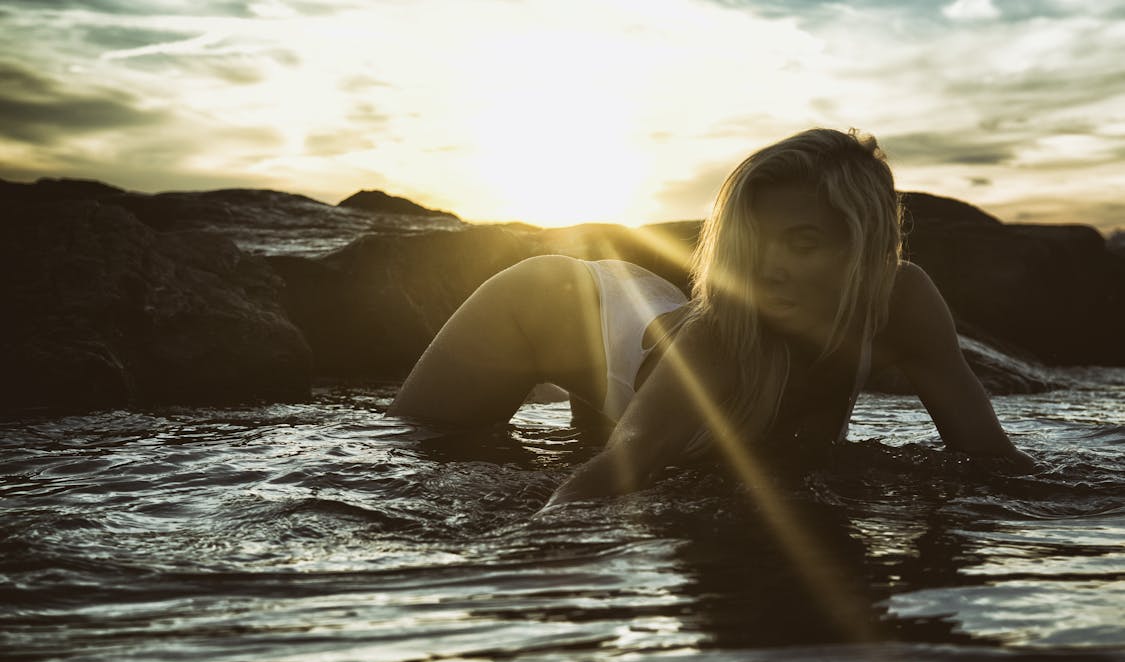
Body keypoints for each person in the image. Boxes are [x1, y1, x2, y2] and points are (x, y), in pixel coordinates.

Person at [388, 128, 1032, 505]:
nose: (769, 268)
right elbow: (610, 477)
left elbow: (988, 457)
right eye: (753, 245)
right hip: (542, 305)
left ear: (860, 247)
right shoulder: (718, 341)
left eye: (802, 244)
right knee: (414, 451)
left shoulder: (902, 302)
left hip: (645, 343)